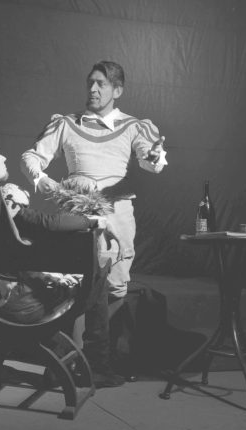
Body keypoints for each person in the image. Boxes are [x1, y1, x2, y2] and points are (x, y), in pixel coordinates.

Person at [0, 135, 128, 387]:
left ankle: (59, 365)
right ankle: (98, 367)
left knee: (61, 278)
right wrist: (96, 221)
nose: (4, 157)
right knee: (97, 274)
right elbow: (44, 223)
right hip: (19, 303)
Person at [20, 61, 168, 326]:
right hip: (76, 214)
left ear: (117, 91)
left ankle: (102, 350)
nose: (93, 89)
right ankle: (73, 349)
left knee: (114, 286)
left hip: (116, 215)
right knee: (72, 284)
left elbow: (151, 161)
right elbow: (30, 157)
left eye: (101, 84)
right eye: (90, 83)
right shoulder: (66, 124)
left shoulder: (134, 127)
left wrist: (154, 156)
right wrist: (40, 179)